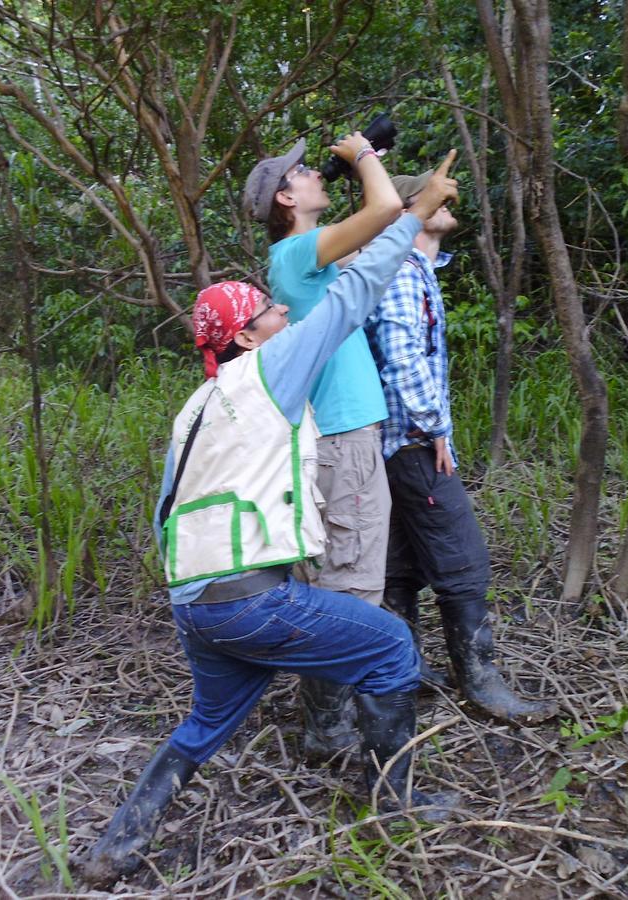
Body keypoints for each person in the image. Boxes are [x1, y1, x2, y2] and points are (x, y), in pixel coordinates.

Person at [78, 145, 460, 889]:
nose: (285, 312)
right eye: (271, 311)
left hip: (195, 603)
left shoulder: (197, 406)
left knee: (206, 725)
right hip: (248, 599)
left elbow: (165, 511)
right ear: (247, 336)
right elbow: (354, 295)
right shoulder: (273, 368)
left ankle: (116, 844)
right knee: (388, 647)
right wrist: (413, 211)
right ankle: (395, 803)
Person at [365, 170, 557, 724]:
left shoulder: (415, 269)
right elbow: (402, 362)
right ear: (412, 209)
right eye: (435, 193)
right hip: (413, 441)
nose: (449, 200)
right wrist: (434, 429)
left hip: (396, 444)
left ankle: (407, 667)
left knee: (400, 561)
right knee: (463, 561)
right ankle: (479, 681)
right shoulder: (402, 273)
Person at [243, 131, 401, 760]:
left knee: (339, 581)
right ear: (286, 196)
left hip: (340, 437)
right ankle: (344, 736)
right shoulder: (295, 255)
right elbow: (387, 210)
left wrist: (373, 167)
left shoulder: (310, 255)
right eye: (304, 172)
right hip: (342, 440)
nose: (315, 174)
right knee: (353, 588)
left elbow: (389, 213)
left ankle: (327, 725)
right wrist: (361, 155)